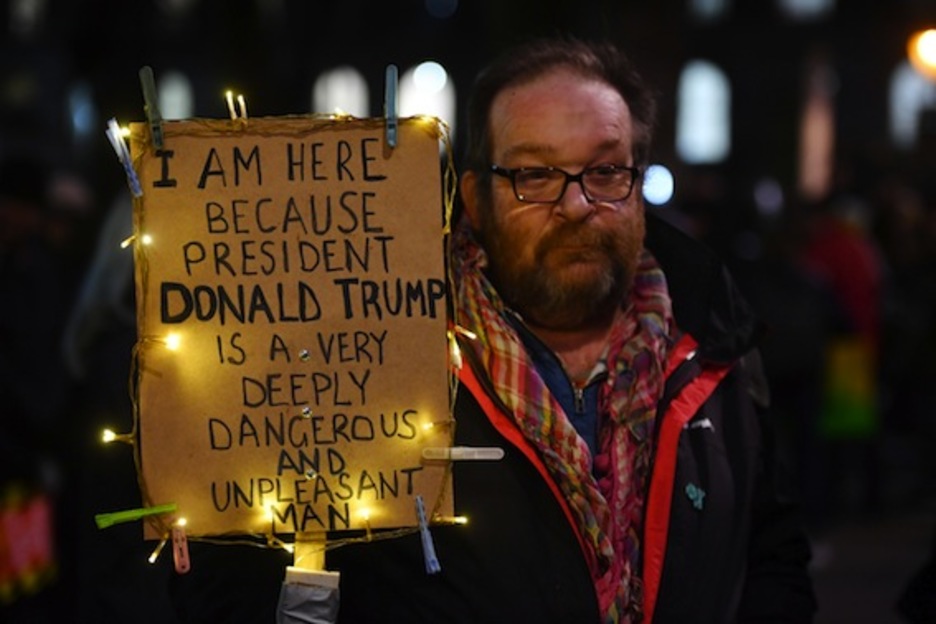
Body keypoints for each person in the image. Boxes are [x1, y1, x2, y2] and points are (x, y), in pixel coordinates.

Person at [168, 36, 817, 623]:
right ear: (475, 202)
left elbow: (771, 560)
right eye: (534, 175)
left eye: (605, 171)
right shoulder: (377, 370)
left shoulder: (714, 353)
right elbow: (260, 596)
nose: (576, 204)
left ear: (638, 185)